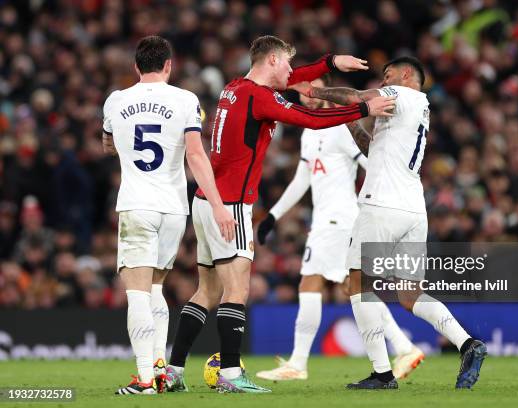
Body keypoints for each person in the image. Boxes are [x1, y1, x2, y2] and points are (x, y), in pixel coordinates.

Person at [164, 35, 396, 394]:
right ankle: (230, 375)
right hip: (230, 205)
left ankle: (174, 372)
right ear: (272, 60)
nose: (292, 72)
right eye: (287, 63)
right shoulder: (259, 98)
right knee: (236, 291)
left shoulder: (235, 88)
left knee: (205, 292)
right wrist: (364, 109)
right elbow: (311, 119)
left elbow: (295, 77)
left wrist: (331, 62)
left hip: (205, 200)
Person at [290, 56, 487, 390]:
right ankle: (468, 344)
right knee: (409, 295)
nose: (384, 81)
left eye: (387, 75)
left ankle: (382, 373)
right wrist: (349, 122)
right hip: (413, 209)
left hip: (381, 203)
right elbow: (372, 147)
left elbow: (355, 97)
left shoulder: (399, 93)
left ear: (406, 74)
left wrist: (312, 89)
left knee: (358, 285)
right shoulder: (420, 108)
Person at [255, 76, 424, 382]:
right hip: (329, 220)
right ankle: (404, 346)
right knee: (354, 288)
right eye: (305, 91)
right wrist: (273, 216)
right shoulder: (311, 130)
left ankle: (298, 363)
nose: (307, 94)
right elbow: (302, 180)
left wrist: (377, 203)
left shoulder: (339, 128)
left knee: (310, 285)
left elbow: (372, 163)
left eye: (312, 89)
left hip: (339, 219)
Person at [102, 35, 235, 395]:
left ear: (136, 67)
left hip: (137, 205)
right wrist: (219, 203)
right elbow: (195, 154)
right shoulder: (185, 100)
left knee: (137, 294)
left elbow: (108, 143)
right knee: (157, 287)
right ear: (168, 66)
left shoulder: (116, 101)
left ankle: (146, 378)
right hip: (174, 209)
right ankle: (161, 374)